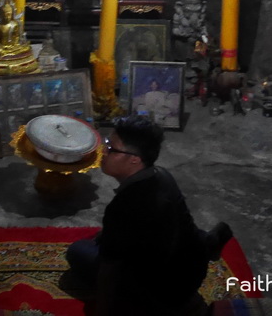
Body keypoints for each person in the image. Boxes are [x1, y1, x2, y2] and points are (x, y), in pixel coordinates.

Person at [65, 116, 232, 316]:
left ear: (134, 159)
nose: (104, 151)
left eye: (112, 148)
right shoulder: (162, 175)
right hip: (191, 275)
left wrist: (104, 310)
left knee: (77, 251)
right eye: (106, 143)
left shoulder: (124, 207)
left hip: (162, 295)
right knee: (108, 239)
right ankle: (208, 243)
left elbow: (110, 271)